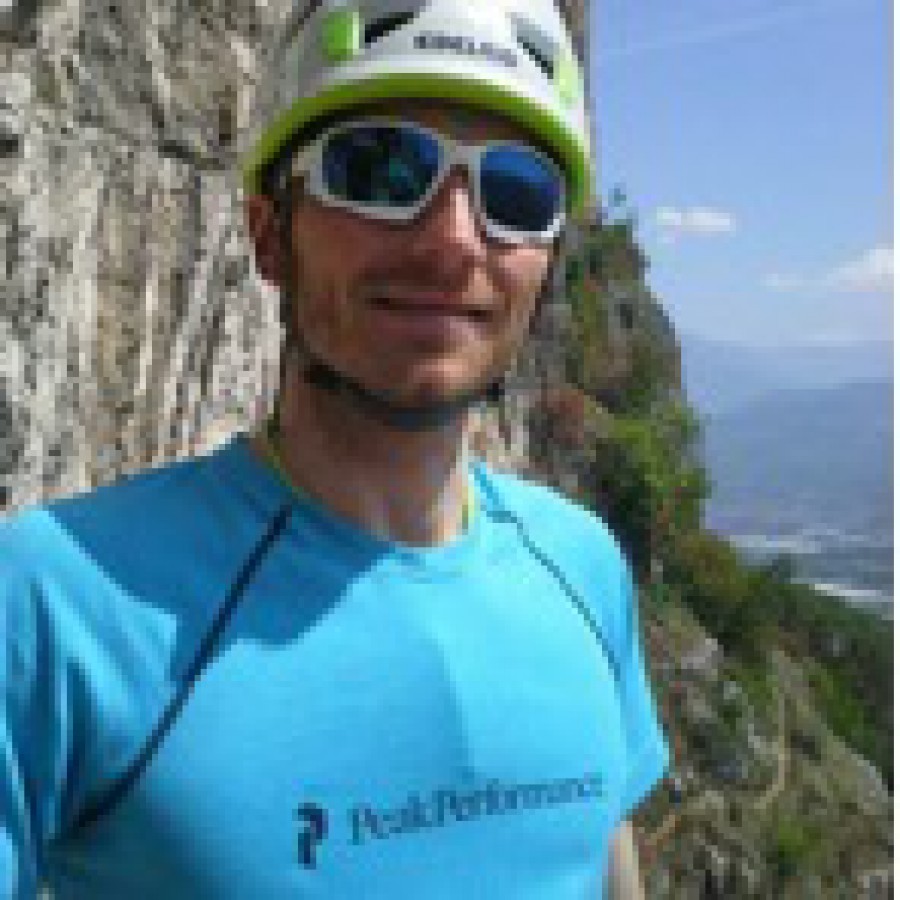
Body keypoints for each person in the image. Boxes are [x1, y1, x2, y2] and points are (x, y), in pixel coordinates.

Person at [0, 1, 670, 897]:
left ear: (547, 260)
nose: (453, 240)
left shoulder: (584, 569)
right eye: (381, 168)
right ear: (269, 235)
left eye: (517, 191)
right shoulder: (52, 602)